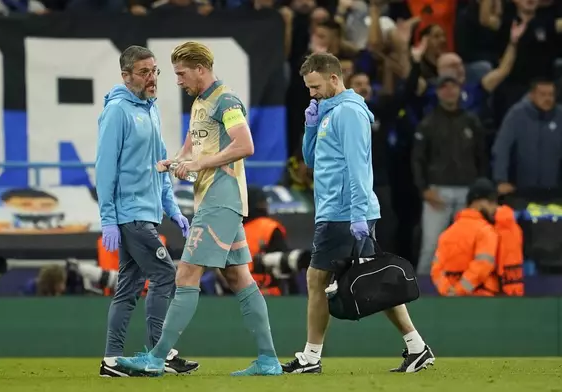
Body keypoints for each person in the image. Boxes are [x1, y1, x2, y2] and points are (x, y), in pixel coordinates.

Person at [114, 41, 282, 377]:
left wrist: (200, 163)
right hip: (213, 198)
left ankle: (158, 357)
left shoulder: (227, 101)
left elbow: (245, 144)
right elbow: (192, 149)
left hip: (222, 199)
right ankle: (268, 360)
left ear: (201, 70)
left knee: (186, 274)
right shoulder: (201, 103)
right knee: (239, 277)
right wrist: (174, 161)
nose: (176, 80)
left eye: (181, 73)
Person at [281, 52, 435, 374]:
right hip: (336, 210)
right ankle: (417, 347)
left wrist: (358, 214)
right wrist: (310, 126)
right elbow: (310, 161)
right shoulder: (327, 112)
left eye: (315, 86)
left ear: (334, 79)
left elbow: (358, 167)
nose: (312, 93)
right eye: (308, 88)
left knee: (316, 279)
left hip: (344, 212)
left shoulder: (348, 113)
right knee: (374, 282)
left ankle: (310, 357)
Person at [95, 45, 197, 377]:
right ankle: (160, 352)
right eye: (144, 72)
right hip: (131, 214)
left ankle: (112, 360)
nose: (152, 77)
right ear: (126, 76)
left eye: (154, 70)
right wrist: (108, 218)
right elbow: (105, 168)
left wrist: (173, 209)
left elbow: (160, 166)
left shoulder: (149, 109)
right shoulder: (118, 112)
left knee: (128, 286)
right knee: (166, 274)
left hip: (146, 212)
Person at [412, 75, 488, 275]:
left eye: (453, 87)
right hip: (437, 192)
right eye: (444, 88)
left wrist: (479, 193)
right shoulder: (428, 123)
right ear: (438, 93)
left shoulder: (471, 121)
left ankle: (467, 292)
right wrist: (424, 190)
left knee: (468, 245)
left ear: (459, 91)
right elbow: (417, 159)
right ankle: (422, 296)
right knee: (430, 246)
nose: (449, 91)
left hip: (468, 193)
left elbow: (482, 157)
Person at [431, 178, 524, 297]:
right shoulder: (486, 231)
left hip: (450, 301)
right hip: (482, 299)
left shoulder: (447, 233)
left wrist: (448, 291)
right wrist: (460, 290)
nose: (495, 207)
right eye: (491, 202)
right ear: (477, 202)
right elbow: (483, 265)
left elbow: (436, 269)